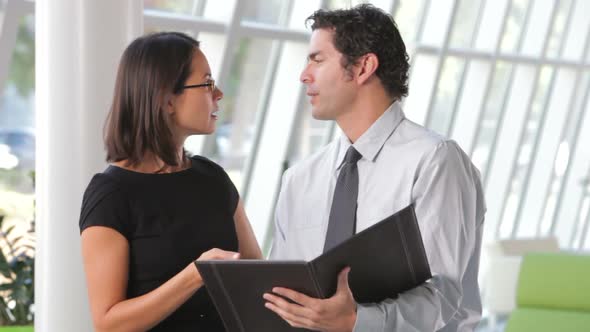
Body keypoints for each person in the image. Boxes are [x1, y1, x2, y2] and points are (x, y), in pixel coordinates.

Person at [264, 4, 486, 332]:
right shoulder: (300, 179)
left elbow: (444, 295)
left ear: (364, 66)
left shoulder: (434, 161)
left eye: (317, 59)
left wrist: (357, 322)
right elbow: (283, 295)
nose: (303, 74)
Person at [79, 32, 262, 331]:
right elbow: (108, 323)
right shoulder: (111, 194)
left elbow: (255, 275)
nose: (218, 94)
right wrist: (195, 275)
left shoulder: (214, 178)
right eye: (206, 83)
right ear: (166, 101)